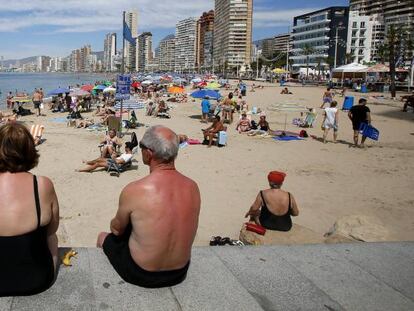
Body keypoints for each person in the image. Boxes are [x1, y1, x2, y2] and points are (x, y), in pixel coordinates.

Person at [96, 126, 200, 288]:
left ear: (149, 153)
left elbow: (116, 230)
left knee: (103, 237)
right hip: (180, 272)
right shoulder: (193, 187)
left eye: (142, 147)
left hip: (142, 273)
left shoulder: (136, 189)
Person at [0, 123, 59, 296]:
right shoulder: (42, 184)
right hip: (36, 280)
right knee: (52, 238)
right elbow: (52, 231)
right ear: (29, 150)